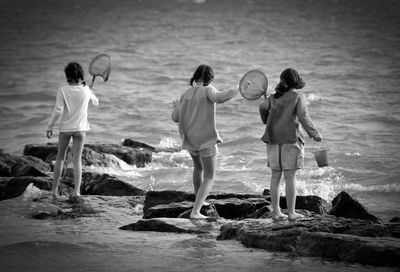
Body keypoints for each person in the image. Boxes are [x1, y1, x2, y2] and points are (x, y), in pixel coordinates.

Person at [171, 64, 239, 219]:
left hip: (191, 139)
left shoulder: (185, 93)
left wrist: (175, 106)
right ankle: (196, 211)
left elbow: (175, 118)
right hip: (206, 139)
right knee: (210, 175)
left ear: (195, 77)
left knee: (198, 168)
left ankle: (198, 201)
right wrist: (238, 88)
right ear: (211, 79)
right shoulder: (209, 90)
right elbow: (220, 97)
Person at [254, 68, 322, 221]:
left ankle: (276, 212)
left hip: (272, 140)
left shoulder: (273, 97)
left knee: (275, 176)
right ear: (296, 81)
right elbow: (303, 116)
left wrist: (266, 120)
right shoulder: (299, 96)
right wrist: (315, 134)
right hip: (291, 140)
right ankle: (291, 212)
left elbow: (262, 108)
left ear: (282, 80)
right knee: (290, 176)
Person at [46, 62, 99, 199]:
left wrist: (50, 126)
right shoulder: (86, 89)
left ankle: (53, 191)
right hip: (80, 130)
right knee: (77, 161)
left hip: (65, 129)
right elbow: (95, 103)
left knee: (60, 158)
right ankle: (76, 192)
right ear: (80, 76)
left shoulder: (62, 90)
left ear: (67, 76)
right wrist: (91, 92)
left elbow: (58, 111)